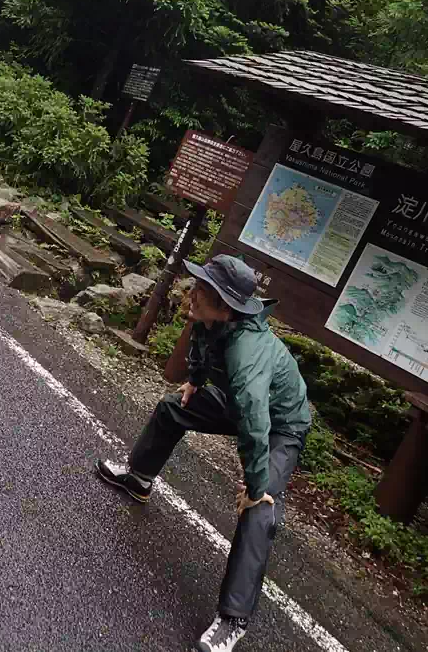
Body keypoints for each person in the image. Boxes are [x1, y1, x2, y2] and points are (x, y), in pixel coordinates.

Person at [96, 254, 311, 652]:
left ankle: (234, 619)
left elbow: (256, 424)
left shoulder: (248, 355)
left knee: (259, 507)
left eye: (203, 291)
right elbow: (200, 345)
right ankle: (139, 478)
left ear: (227, 307)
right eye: (197, 285)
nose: (192, 295)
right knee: (172, 405)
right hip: (243, 404)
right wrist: (194, 382)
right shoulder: (212, 319)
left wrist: (257, 485)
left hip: (281, 425)